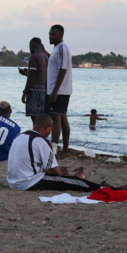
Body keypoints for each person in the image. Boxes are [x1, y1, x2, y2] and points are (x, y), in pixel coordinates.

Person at [7, 114, 127, 192]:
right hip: (27, 183)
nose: (50, 132)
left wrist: (51, 170)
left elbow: (29, 162)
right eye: (50, 129)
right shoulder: (40, 141)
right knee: (73, 181)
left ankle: (87, 181)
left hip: (13, 181)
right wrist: (59, 172)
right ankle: (110, 189)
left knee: (66, 177)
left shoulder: (20, 136)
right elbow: (56, 172)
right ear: (46, 128)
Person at [47, 25, 72, 156]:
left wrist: (55, 91)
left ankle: (54, 150)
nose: (50, 36)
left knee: (56, 118)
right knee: (62, 117)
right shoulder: (56, 49)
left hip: (60, 91)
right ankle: (65, 150)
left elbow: (63, 70)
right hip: (59, 90)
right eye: (50, 34)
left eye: (53, 34)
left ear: (61, 35)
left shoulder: (62, 48)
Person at [22, 37, 49, 125]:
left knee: (35, 119)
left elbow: (32, 77)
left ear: (32, 45)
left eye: (30, 46)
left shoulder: (34, 57)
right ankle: (41, 136)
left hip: (34, 91)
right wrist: (27, 73)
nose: (30, 49)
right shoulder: (45, 57)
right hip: (43, 91)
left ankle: (36, 136)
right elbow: (41, 74)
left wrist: (25, 92)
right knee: (40, 119)